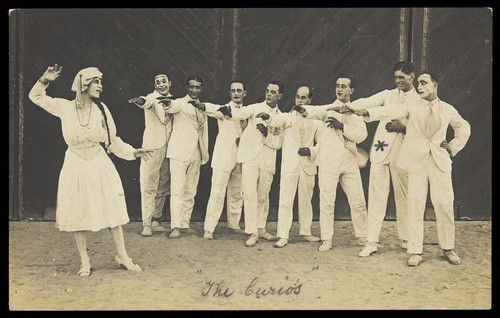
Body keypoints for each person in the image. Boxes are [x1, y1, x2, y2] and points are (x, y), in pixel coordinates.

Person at [28, 64, 153, 277]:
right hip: (75, 163)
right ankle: (84, 260)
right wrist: (44, 79)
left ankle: (122, 255)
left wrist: (133, 152)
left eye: (100, 82)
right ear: (84, 83)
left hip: (99, 162)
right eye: (97, 81)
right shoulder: (64, 107)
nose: (101, 86)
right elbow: (36, 96)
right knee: (78, 210)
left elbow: (113, 142)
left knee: (112, 207)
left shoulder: (102, 110)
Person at [349, 72, 470, 266]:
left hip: (439, 161)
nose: (420, 87)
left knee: (444, 203)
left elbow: (463, 127)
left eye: (424, 83)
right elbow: (390, 110)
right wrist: (366, 113)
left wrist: (453, 146)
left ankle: (448, 248)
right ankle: (415, 250)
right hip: (417, 162)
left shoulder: (447, 109)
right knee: (415, 204)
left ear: (435, 85)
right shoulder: (411, 106)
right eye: (419, 83)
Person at [349, 61, 421, 257]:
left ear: (412, 76)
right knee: (376, 195)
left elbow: (419, 125)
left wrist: (402, 127)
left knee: (403, 195)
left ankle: (406, 237)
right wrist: (347, 107)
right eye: (395, 77)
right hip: (381, 150)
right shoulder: (387, 95)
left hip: (404, 152)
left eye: (402, 77)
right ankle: (371, 240)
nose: (398, 81)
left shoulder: (418, 99)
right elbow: (366, 101)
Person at [293, 75, 368, 252]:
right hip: (328, 162)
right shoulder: (328, 109)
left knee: (358, 201)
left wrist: (342, 127)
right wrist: (302, 110)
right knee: (327, 201)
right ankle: (327, 238)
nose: (340, 89)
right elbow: (313, 111)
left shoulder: (356, 111)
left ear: (352, 90)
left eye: (344, 86)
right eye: (337, 86)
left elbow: (362, 135)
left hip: (349, 161)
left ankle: (362, 236)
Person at [215, 81, 284, 247]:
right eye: (267, 91)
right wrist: (227, 111)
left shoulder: (281, 117)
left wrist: (266, 134)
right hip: (250, 159)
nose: (269, 94)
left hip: (267, 161)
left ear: (279, 96)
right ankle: (252, 232)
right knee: (250, 194)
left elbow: (278, 143)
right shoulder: (254, 107)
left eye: (273, 92)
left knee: (263, 196)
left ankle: (261, 229)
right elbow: (239, 113)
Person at [255, 86, 322, 248]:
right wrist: (267, 117)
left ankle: (305, 231)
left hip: (307, 164)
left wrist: (311, 150)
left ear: (310, 100)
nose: (300, 100)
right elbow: (276, 120)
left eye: (304, 98)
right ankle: (283, 235)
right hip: (290, 165)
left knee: (306, 199)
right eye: (298, 97)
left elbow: (322, 143)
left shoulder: (317, 120)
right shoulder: (288, 117)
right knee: (285, 200)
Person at [189, 81, 247, 240]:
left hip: (241, 157)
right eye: (233, 90)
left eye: (239, 91)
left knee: (237, 192)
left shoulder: (248, 111)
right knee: (217, 192)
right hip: (223, 157)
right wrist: (201, 105)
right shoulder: (223, 109)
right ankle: (209, 228)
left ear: (244, 93)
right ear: (230, 93)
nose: (236, 93)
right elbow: (213, 109)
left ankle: (233, 224)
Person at [158, 75, 210, 239]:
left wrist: (203, 153)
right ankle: (175, 226)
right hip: (179, 152)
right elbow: (171, 106)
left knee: (190, 190)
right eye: (191, 87)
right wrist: (167, 103)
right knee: (177, 190)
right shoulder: (180, 102)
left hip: (196, 151)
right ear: (187, 88)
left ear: (201, 89)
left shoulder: (202, 107)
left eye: (197, 87)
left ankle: (184, 224)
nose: (194, 90)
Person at [128, 73, 174, 237]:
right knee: (148, 184)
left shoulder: (174, 100)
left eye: (164, 81)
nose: (161, 85)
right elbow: (145, 102)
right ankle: (146, 224)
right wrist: (139, 101)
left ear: (170, 83)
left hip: (170, 147)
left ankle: (157, 220)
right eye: (157, 82)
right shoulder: (151, 98)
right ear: (154, 85)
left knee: (164, 184)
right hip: (153, 147)